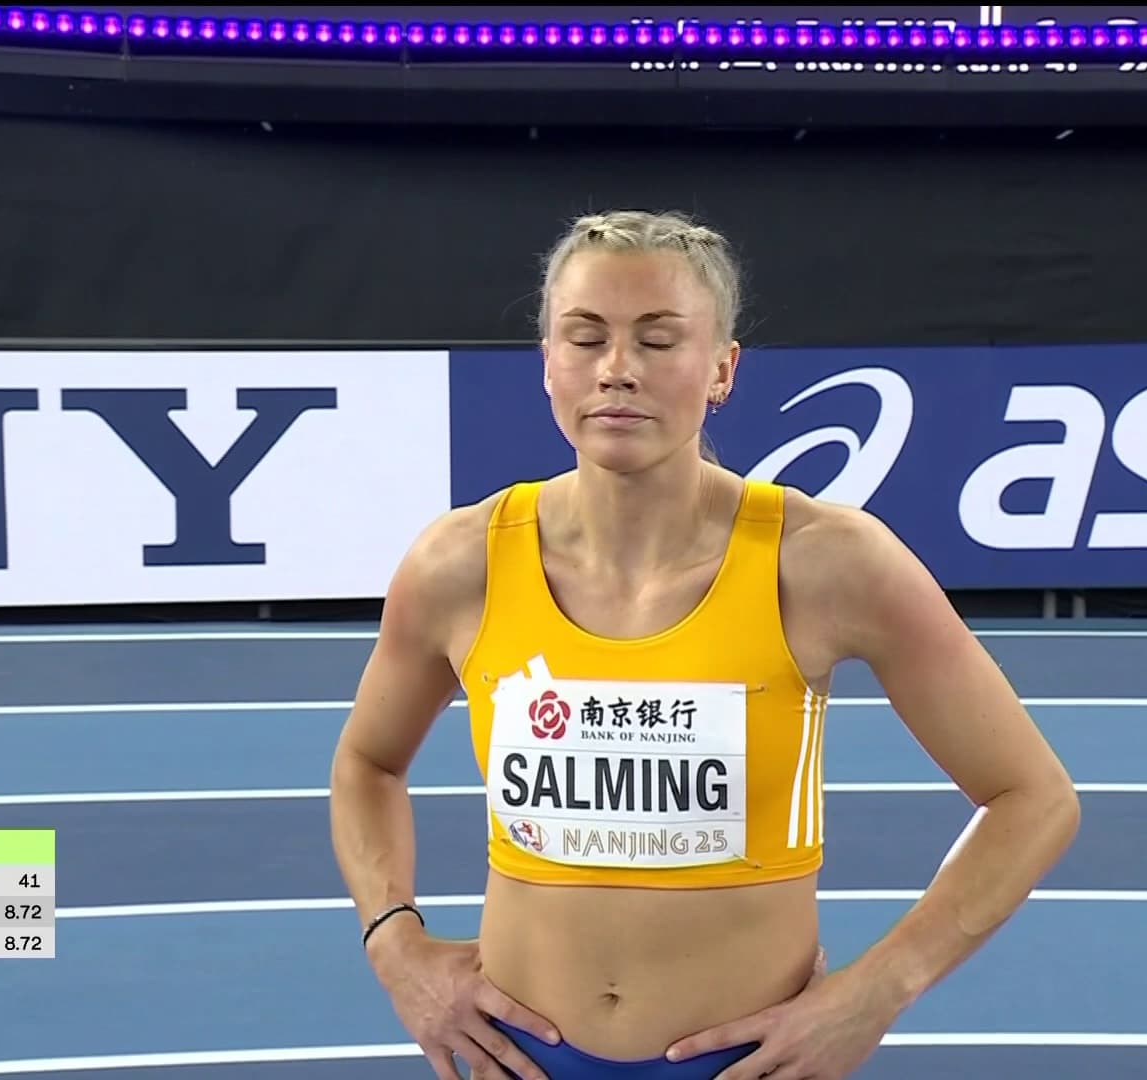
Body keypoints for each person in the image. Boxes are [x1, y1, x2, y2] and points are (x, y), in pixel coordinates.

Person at [328, 209, 1081, 1079]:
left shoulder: (824, 562)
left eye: (657, 340)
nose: (617, 369)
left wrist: (877, 991)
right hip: (518, 1060)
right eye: (586, 338)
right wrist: (394, 943)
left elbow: (1033, 798)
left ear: (722, 368)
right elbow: (366, 765)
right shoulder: (462, 563)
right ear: (548, 362)